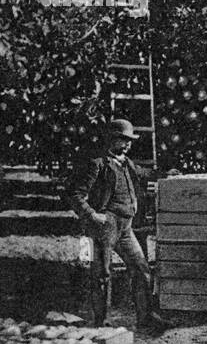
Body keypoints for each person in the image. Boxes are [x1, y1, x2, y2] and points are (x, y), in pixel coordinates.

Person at [66, 119, 172, 332]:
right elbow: (75, 194)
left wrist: (166, 175)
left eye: (129, 140)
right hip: (105, 227)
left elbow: (143, 173)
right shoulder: (98, 163)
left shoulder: (126, 163)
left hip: (126, 228)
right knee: (102, 274)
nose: (127, 144)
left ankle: (145, 317)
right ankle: (100, 322)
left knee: (141, 269)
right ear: (111, 139)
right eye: (123, 140)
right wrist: (92, 215)